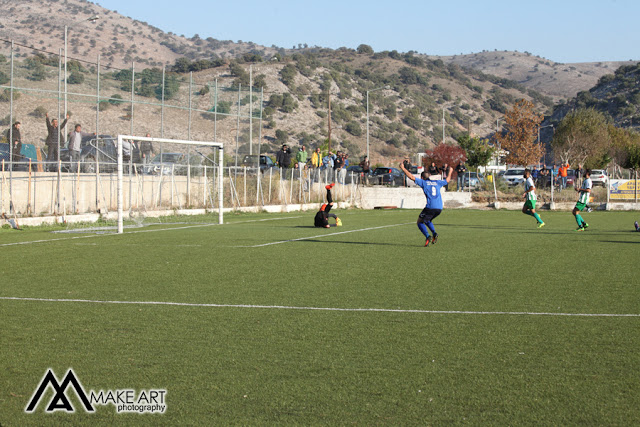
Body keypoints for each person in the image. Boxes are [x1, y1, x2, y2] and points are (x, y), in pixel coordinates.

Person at [399, 161, 453, 247]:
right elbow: (447, 180)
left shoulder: (423, 182)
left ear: (422, 177)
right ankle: (434, 233)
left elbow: (411, 177)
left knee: (419, 222)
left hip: (430, 207)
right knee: (427, 220)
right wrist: (450, 171)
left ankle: (428, 236)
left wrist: (403, 168)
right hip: (439, 208)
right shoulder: (437, 182)